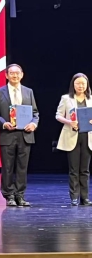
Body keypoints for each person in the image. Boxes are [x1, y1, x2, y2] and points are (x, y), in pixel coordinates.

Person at [0, 63, 39, 207]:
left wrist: (33, 124)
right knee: (7, 167)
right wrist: (3, 123)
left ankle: (20, 195)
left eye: (17, 73)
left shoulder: (28, 92)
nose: (15, 75)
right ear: (6, 75)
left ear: (22, 75)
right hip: (7, 134)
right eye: (11, 73)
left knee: (22, 167)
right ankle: (9, 196)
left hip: (25, 135)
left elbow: (35, 113)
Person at [55, 73, 92, 206]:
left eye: (83, 83)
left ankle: (85, 198)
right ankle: (74, 197)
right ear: (73, 85)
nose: (80, 86)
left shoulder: (91, 99)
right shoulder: (66, 98)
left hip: (88, 136)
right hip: (72, 135)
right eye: (78, 83)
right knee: (74, 169)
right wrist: (69, 122)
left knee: (85, 170)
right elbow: (58, 115)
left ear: (87, 85)